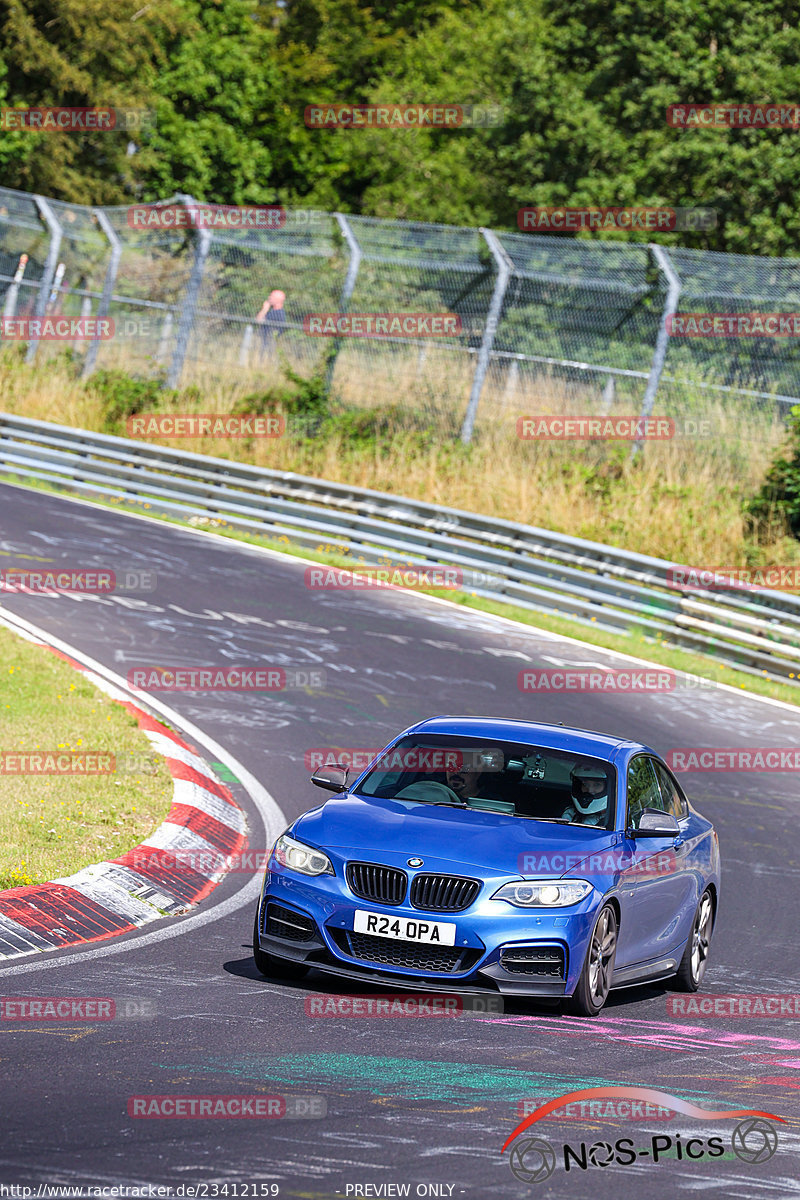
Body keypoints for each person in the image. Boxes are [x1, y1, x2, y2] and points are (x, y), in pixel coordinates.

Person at [561, 761, 611, 827]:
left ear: (607, 788)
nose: (590, 790)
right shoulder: (570, 814)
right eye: (585, 784)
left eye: (597, 785)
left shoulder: (614, 818)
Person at [255, 289, 287, 355]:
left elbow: (259, 320)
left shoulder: (278, 314)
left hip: (269, 344)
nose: (269, 297)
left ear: (277, 300)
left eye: (271, 296)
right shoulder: (273, 311)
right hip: (265, 342)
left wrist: (264, 309)